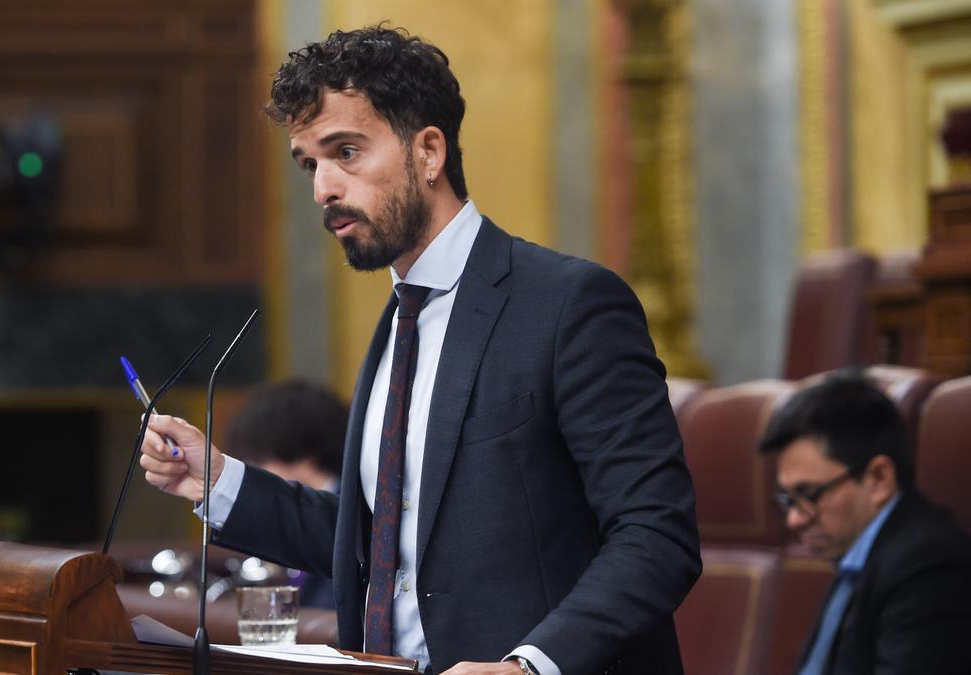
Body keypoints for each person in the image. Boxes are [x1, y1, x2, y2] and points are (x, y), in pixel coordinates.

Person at [140, 25, 700, 675]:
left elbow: (655, 535)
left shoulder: (569, 304)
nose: (323, 188)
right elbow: (382, 542)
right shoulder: (398, 320)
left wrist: (529, 666)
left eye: (345, 151)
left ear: (428, 150)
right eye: (309, 164)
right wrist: (215, 479)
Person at [758, 372, 971, 674]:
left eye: (809, 494)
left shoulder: (928, 566)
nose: (793, 519)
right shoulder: (858, 555)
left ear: (879, 479)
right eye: (788, 499)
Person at [226, 379, 347, 608]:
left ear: (301, 452)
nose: (251, 472)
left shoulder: (354, 515)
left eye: (257, 459)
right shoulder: (275, 519)